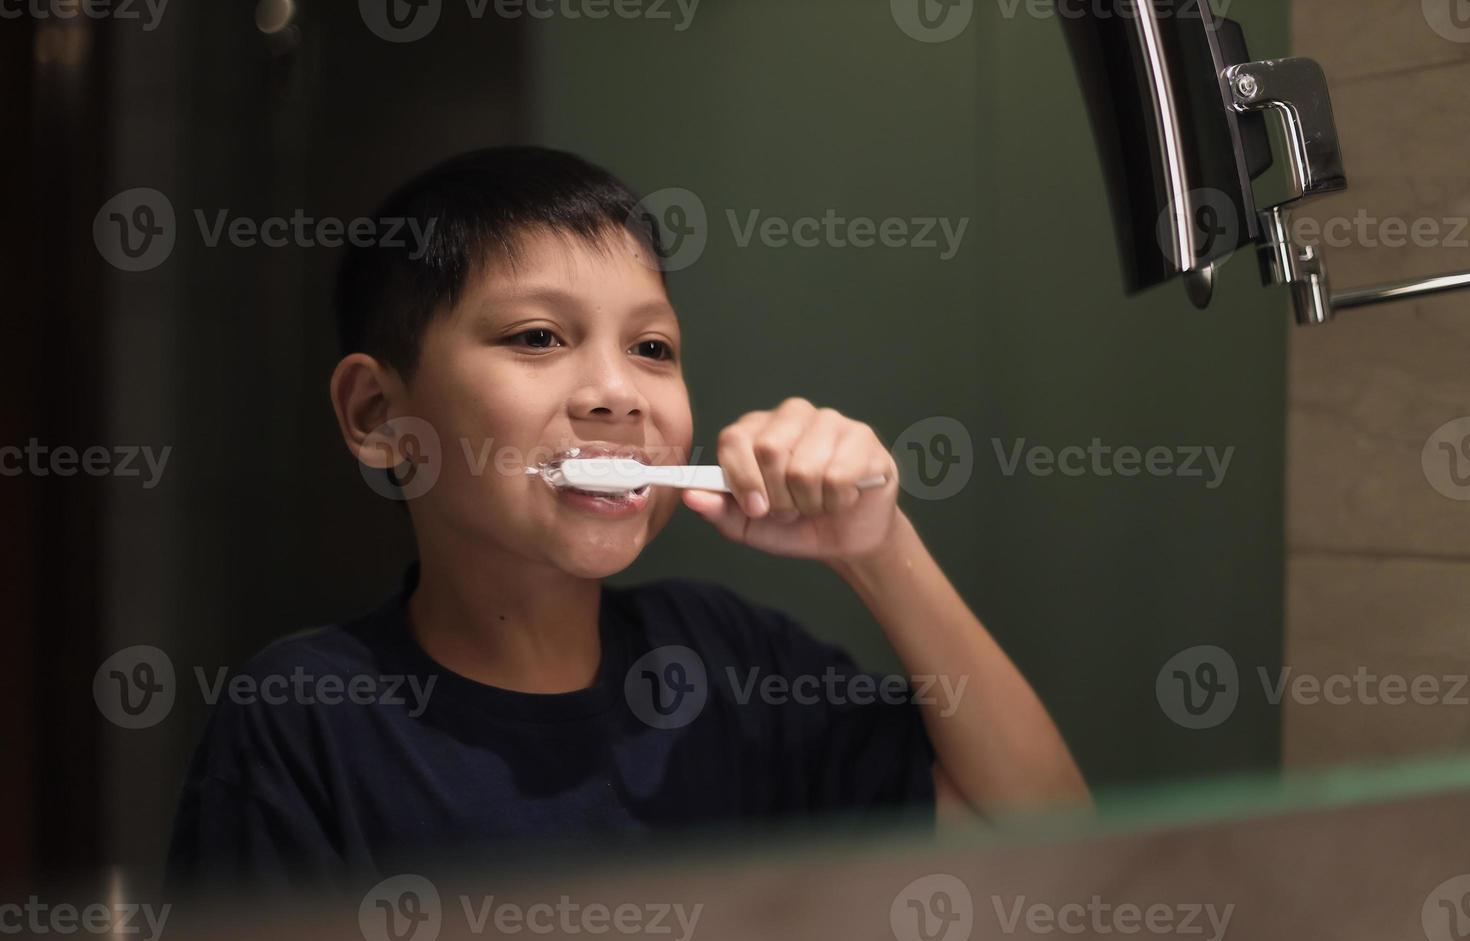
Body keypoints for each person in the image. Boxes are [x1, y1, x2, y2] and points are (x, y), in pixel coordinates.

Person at [166, 146, 1087, 891]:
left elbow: (1052, 856)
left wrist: (881, 548)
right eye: (538, 337)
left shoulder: (730, 667)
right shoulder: (305, 718)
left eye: (652, 348)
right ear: (377, 417)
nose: (617, 391)